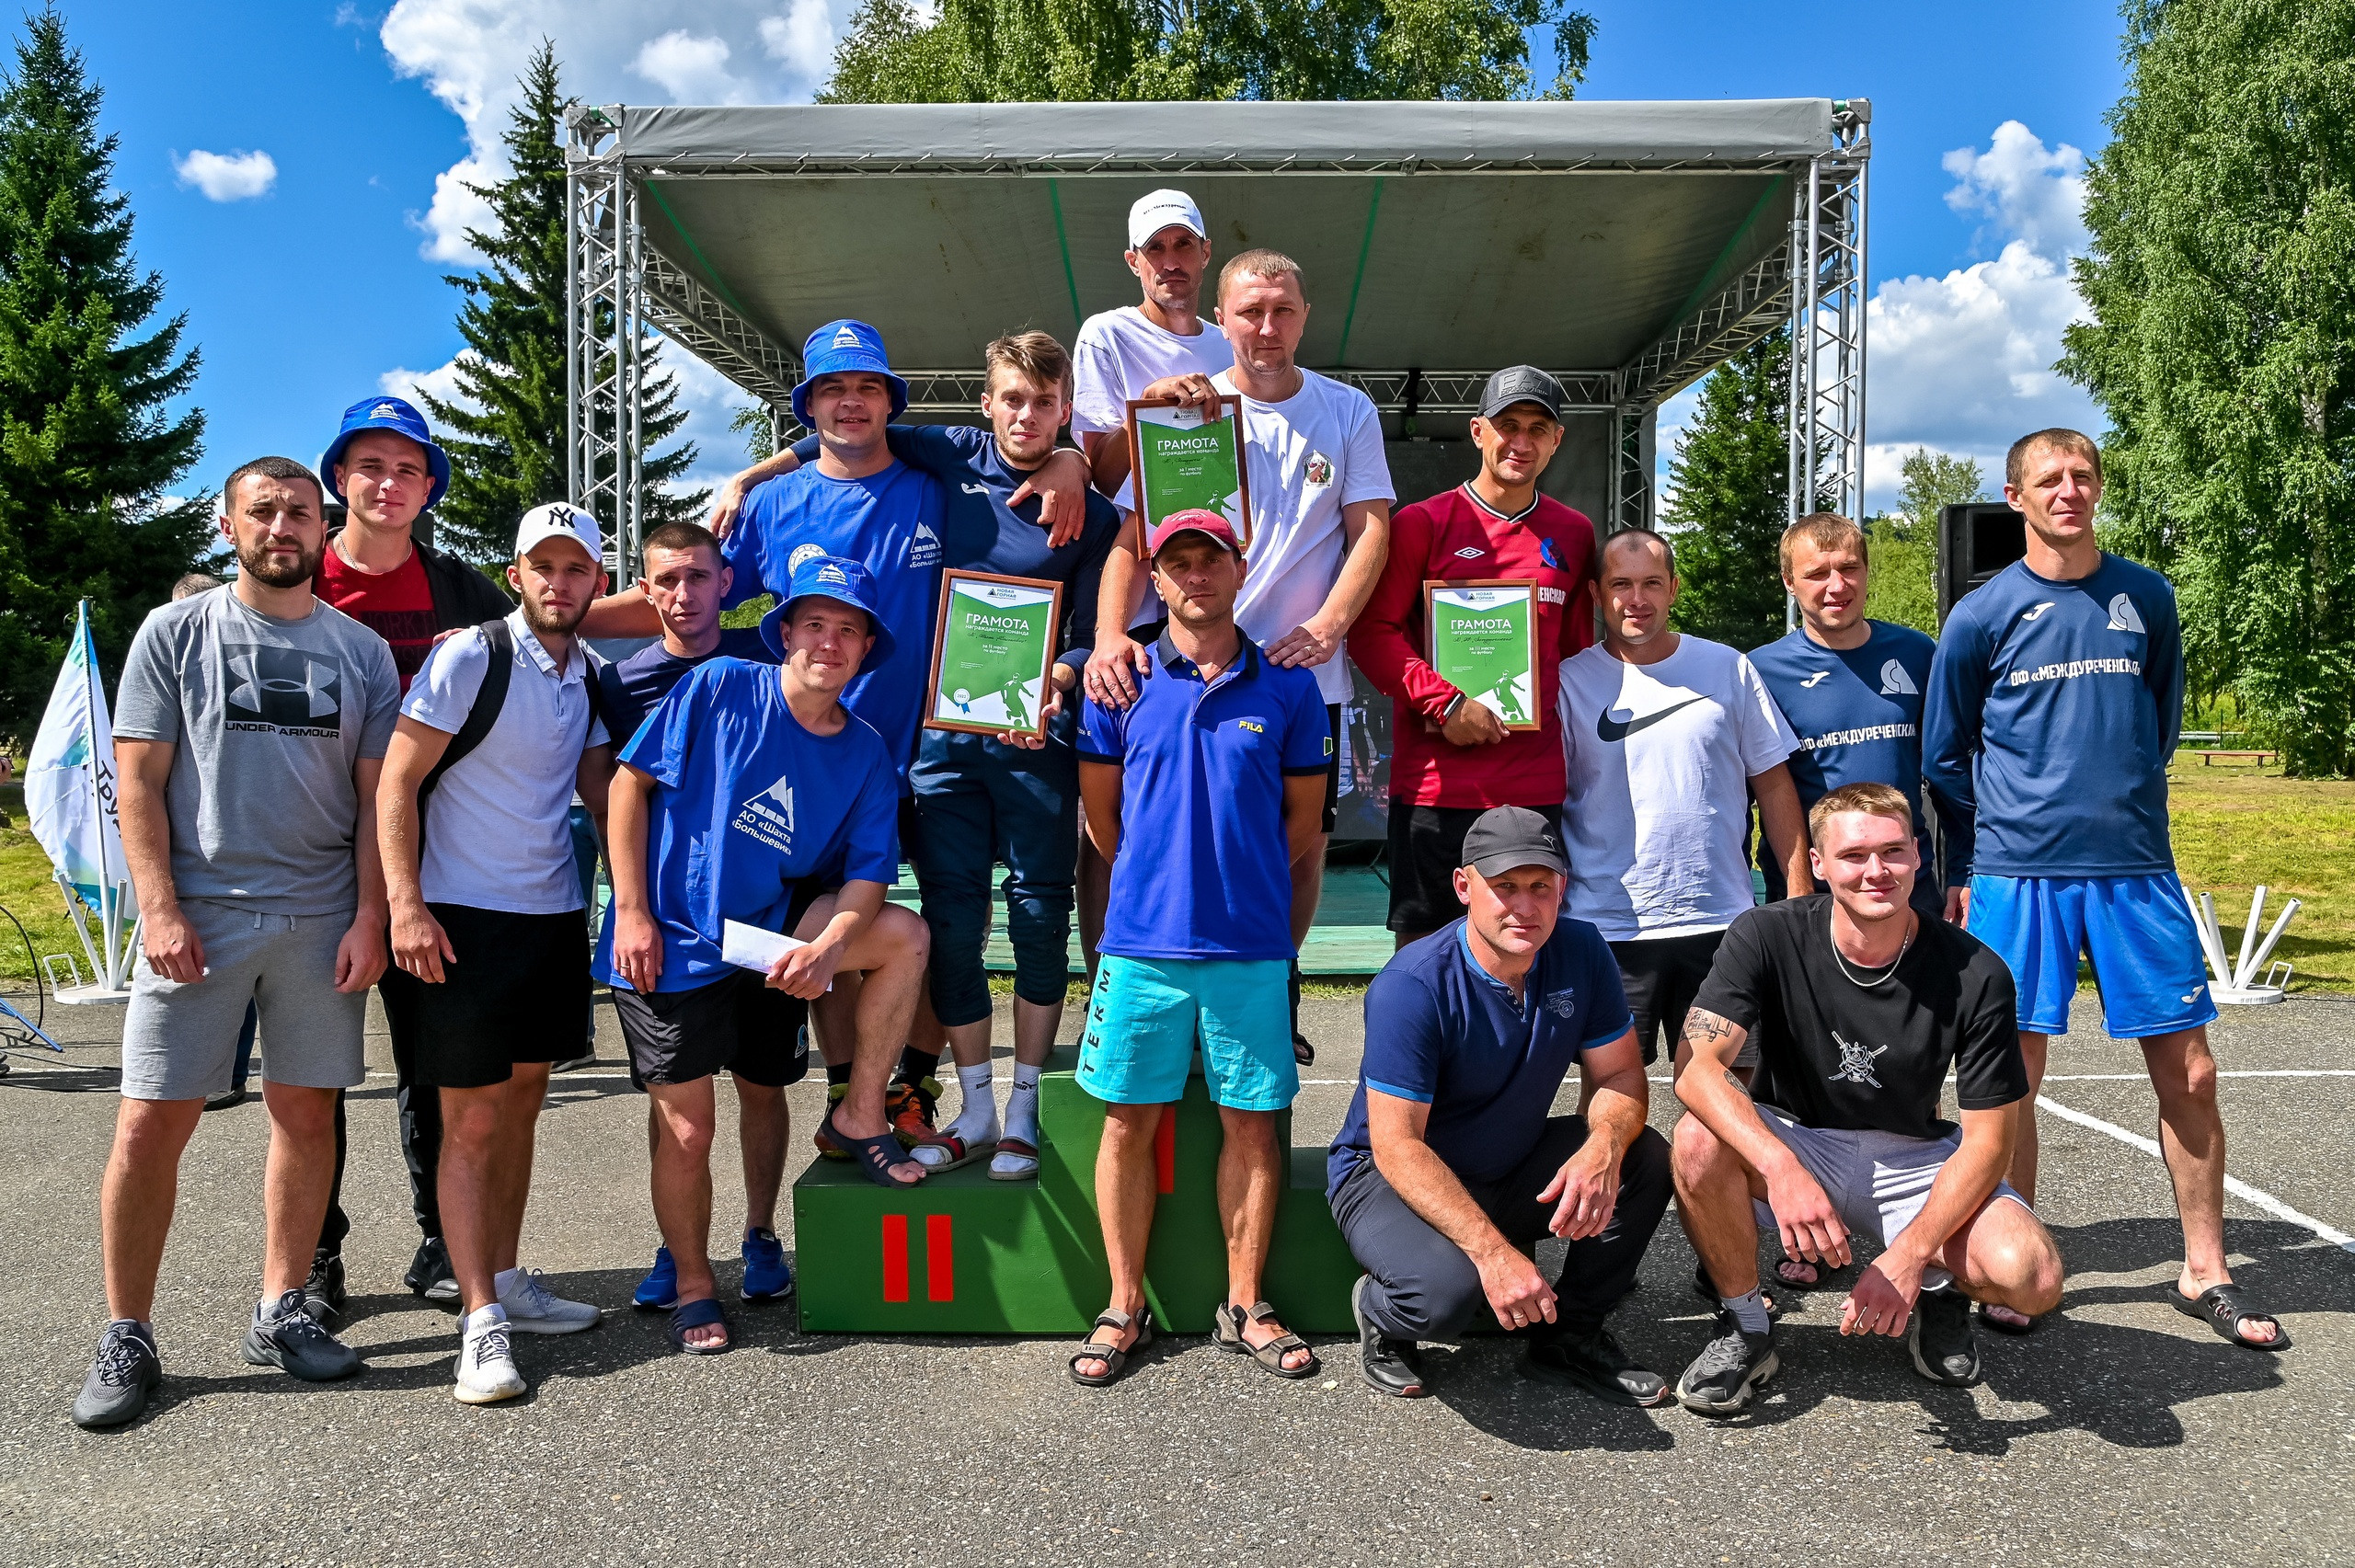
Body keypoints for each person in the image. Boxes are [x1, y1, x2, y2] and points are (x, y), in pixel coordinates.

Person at [691, 330, 1100, 1161]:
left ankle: (915, 1084)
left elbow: (1089, 599)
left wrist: (1074, 462)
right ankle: (852, 1092)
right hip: (827, 762)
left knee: (955, 924)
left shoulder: (940, 476)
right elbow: (697, 598)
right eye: (831, 389)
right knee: (851, 929)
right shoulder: (789, 498)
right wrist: (750, 474)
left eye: (867, 387)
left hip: (939, 747)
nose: (851, 403)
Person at [1924, 429, 2285, 1349]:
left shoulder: (2145, 596)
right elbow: (1944, 755)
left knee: (2192, 1072)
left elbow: (2157, 726)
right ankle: (2015, 1267)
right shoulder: (1980, 615)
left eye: (2082, 475)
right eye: (2049, 478)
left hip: (2134, 869)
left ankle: (2204, 1268)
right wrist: (1990, 843)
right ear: (2015, 496)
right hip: (2018, 876)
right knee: (2011, 1078)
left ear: (2097, 489)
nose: (2069, 490)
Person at [75, 456, 397, 1429]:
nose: (282, 526)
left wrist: (372, 916)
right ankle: (127, 1331)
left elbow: (377, 801)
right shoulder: (175, 633)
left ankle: (281, 1305)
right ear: (228, 526)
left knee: (307, 1115)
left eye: (299, 512)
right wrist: (159, 908)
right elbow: (137, 782)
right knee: (148, 1124)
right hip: (201, 918)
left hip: (320, 918)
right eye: (263, 511)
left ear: (321, 526)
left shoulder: (362, 652)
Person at [605, 554, 930, 1350]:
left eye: (848, 630)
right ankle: (690, 1281)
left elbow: (868, 877)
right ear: (784, 633)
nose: (829, 642)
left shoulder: (865, 750)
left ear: (866, 650)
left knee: (901, 940)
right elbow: (626, 785)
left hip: (764, 937)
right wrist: (632, 911)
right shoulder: (719, 685)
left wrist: (826, 946)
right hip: (672, 935)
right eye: (814, 623)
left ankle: (841, 1135)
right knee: (688, 1128)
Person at [1086, 248, 1395, 1064]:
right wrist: (1112, 634)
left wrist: (1329, 624)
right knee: (1153, 831)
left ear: (1305, 315)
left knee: (1302, 845)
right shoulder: (1189, 413)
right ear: (1220, 318)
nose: (1266, 327)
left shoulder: (1347, 409)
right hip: (1184, 674)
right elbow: (1131, 539)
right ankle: (1143, 990)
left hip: (1299, 674)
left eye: (1282, 309)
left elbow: (1372, 530)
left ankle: (1273, 989)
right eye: (1250, 311)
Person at [1667, 783, 2065, 1413]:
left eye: (1893, 851)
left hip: (1913, 1156)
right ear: (1819, 864)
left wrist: (1909, 1256)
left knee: (2033, 1278)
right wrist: (1782, 1167)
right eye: (1853, 855)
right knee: (1694, 1138)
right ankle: (1746, 1323)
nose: (1876, 870)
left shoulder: (1978, 972)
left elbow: (1991, 1141)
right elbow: (1696, 1071)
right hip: (1800, 1139)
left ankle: (1936, 1292)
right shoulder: (1765, 933)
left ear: (1917, 856)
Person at [1067, 509, 1329, 1387]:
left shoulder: (1289, 688)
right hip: (1140, 947)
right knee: (1126, 1122)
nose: (1195, 576)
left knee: (1252, 1126)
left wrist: (1237, 885)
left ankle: (1245, 1304)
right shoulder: (1121, 682)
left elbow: (1302, 826)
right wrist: (1157, 883)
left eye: (1210, 559)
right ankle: (1123, 1304)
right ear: (1155, 578)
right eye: (1176, 562)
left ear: (1239, 569)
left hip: (1250, 947)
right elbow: (1102, 820)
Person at [377, 502, 615, 1404]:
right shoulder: (471, 655)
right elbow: (397, 780)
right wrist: (405, 905)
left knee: (520, 1109)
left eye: (576, 568)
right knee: (470, 1123)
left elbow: (600, 791)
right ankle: (478, 1320)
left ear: (597, 582)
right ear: (516, 575)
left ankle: (505, 1279)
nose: (559, 582)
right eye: (542, 567)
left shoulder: (590, 671)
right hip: (459, 919)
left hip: (550, 918)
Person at [1327, 807, 1671, 1404]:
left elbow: (1619, 1072)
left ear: (1562, 887)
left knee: (1644, 1156)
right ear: (1464, 887)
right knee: (1444, 1300)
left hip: (1504, 1160)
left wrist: (1603, 1145)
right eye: (1505, 886)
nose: (1525, 906)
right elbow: (1397, 1145)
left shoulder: (1581, 949)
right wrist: (1492, 1254)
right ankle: (1381, 1311)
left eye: (1540, 886)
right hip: (1387, 1175)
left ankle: (1570, 1337)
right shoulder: (1412, 985)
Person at [313, 394, 517, 1312]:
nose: (389, 484)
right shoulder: (300, 577)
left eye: (408, 469)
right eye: (371, 466)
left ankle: (442, 1238)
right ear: (339, 478)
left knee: (432, 1059)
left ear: (430, 488)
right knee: (312, 1071)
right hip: (313, 853)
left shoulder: (463, 592)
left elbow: (551, 643)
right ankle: (314, 1254)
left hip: (430, 858)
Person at [590, 521, 796, 1314]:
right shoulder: (622, 683)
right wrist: (631, 906)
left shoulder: (765, 663)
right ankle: (679, 1251)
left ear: (726, 582)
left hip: (760, 921)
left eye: (699, 577)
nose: (684, 594)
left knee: (763, 1086)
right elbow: (612, 797)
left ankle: (760, 1232)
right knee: (675, 1102)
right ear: (644, 590)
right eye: (667, 580)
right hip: (668, 929)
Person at [1348, 366, 1597, 947]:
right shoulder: (1421, 523)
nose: (1521, 442)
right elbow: (1371, 633)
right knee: (1423, 953)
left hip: (1534, 782)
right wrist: (1447, 704)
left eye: (1538, 428)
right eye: (1508, 425)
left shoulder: (1574, 533)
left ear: (1557, 441)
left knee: (1527, 948)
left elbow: (1576, 655)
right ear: (1478, 431)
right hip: (1436, 786)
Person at [1556, 528, 1811, 1070]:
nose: (1637, 599)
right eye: (1621, 584)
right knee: (1612, 1097)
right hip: (1607, 927)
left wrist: (1798, 899)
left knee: (1726, 1097)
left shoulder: (1728, 668)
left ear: (1673, 588)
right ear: (1596, 593)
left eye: (1652, 583)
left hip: (1721, 924)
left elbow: (1774, 787)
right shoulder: (1568, 681)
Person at [1063, 189, 1234, 987]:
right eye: (1154, 249)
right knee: (1112, 814)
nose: (1170, 261)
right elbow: (1100, 475)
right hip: (1133, 611)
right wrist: (1152, 409)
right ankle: (1109, 986)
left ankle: (1215, 977)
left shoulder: (1233, 340)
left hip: (1214, 601)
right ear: (1133, 261)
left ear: (1204, 252)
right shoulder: (1107, 333)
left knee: (1213, 806)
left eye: (1182, 244)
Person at [1749, 514, 1940, 915]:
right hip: (1813, 891)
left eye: (1849, 568)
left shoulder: (1916, 652)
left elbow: (1950, 768)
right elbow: (1752, 793)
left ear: (1867, 570)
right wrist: (1798, 890)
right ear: (1789, 581)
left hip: (1907, 882)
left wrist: (1963, 870)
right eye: (1817, 574)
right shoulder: (1759, 672)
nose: (1837, 586)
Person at [167, 571, 264, 1116]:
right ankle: (222, 1075)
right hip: (197, 876)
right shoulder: (169, 648)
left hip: (285, 886)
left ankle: (229, 1075)